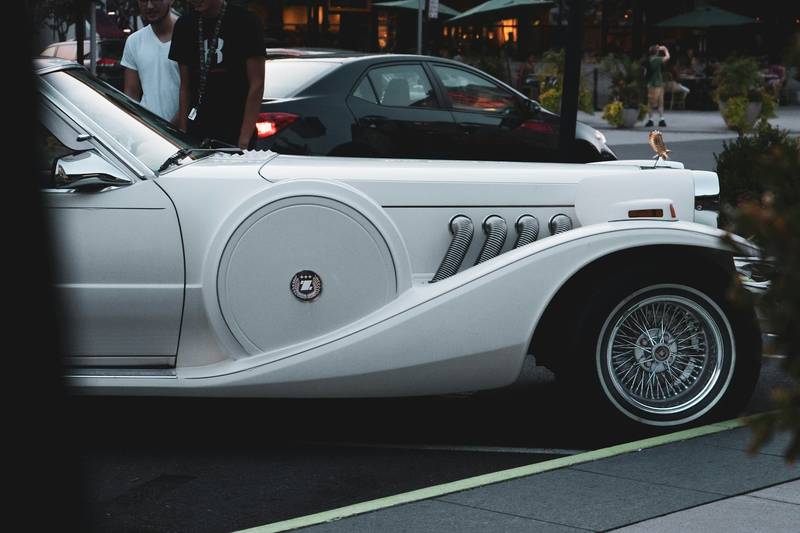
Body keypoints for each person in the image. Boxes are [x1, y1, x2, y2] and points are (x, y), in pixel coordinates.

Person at [169, 0, 265, 149]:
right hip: (197, 131)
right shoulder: (185, 24)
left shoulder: (246, 21)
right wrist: (183, 132)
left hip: (235, 129)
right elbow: (185, 86)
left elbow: (257, 83)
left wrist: (244, 139)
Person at [121, 0, 180, 123]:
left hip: (182, 129)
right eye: (143, 1)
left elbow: (193, 92)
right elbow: (131, 95)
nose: (149, 6)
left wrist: (173, 127)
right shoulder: (134, 41)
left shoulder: (188, 36)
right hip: (146, 128)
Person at [645, 44, 670, 128]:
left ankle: (650, 119)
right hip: (658, 83)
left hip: (651, 84)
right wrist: (665, 49)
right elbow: (667, 57)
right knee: (660, 102)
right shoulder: (657, 59)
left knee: (650, 103)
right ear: (657, 52)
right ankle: (661, 119)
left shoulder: (650, 59)